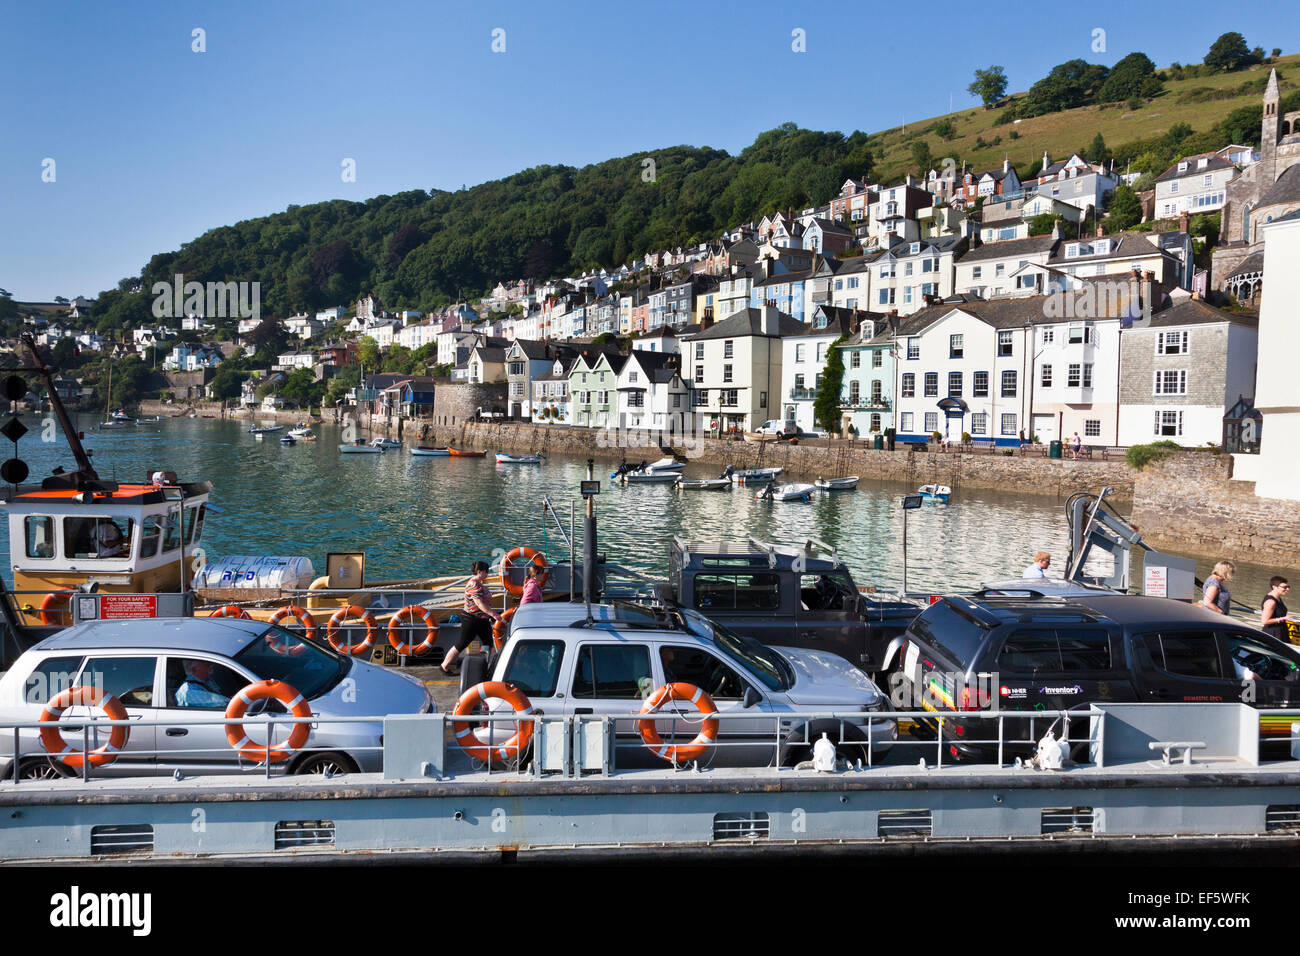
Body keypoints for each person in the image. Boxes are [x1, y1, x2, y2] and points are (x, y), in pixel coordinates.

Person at [442, 560, 502, 675]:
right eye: (486, 572)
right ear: (479, 572)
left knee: (489, 642)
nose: (487, 574)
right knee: (462, 643)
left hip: (482, 620)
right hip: (471, 619)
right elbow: (479, 603)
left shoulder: (479, 583)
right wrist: (493, 614)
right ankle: (444, 666)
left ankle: (493, 667)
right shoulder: (474, 584)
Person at [1262, 576, 1291, 641]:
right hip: (1273, 634)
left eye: (1288, 587)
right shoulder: (1271, 602)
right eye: (1284, 587)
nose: (1287, 589)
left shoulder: (1278, 598)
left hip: (1281, 632)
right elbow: (1264, 621)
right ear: (1274, 587)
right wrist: (1282, 618)